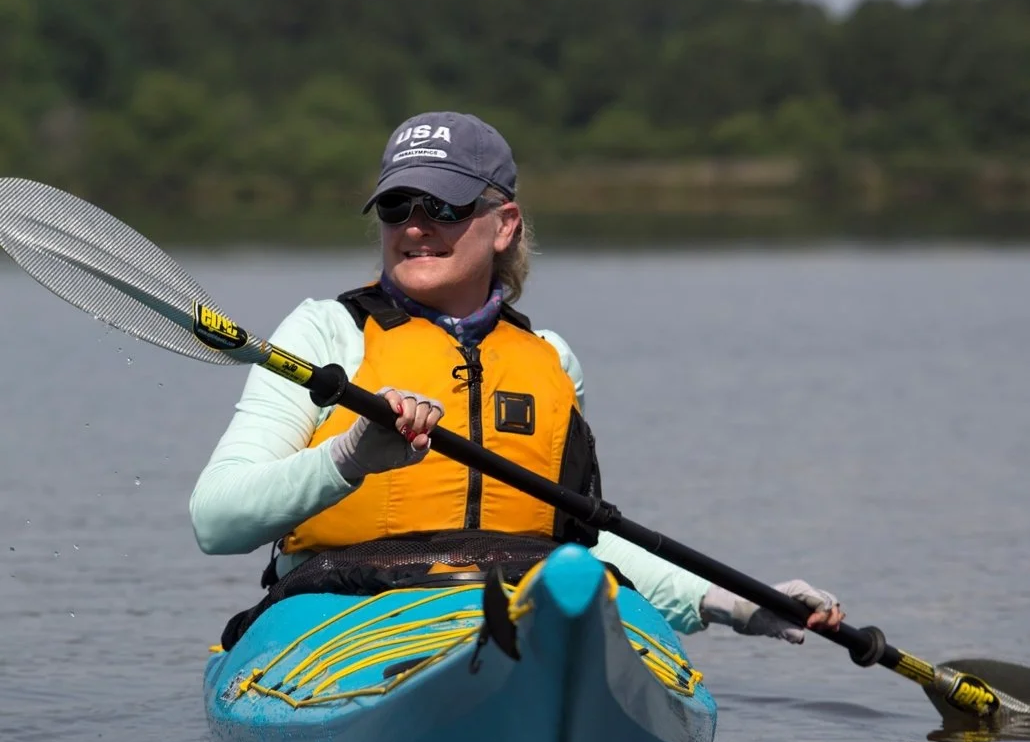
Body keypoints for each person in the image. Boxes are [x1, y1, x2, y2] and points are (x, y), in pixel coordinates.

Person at [190, 110, 844, 644]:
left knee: (580, 586)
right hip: (343, 608)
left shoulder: (551, 358)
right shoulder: (323, 333)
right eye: (395, 207)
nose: (415, 226)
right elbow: (217, 520)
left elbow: (580, 537)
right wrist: (348, 457)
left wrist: (725, 600)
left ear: (504, 224)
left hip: (515, 605)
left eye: (442, 207)